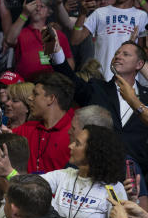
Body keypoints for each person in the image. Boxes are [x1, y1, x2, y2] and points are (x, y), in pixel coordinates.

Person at [52, 39, 148, 173]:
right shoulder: (96, 88)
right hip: (97, 169)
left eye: (126, 54)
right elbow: (70, 80)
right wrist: (56, 51)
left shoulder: (146, 96)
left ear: (139, 64)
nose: (118, 56)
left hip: (136, 174)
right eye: (117, 53)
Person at [70, 0, 148, 81]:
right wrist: (82, 14)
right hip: (101, 77)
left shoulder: (141, 16)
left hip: (128, 79)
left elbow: (143, 52)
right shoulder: (100, 12)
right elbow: (75, 40)